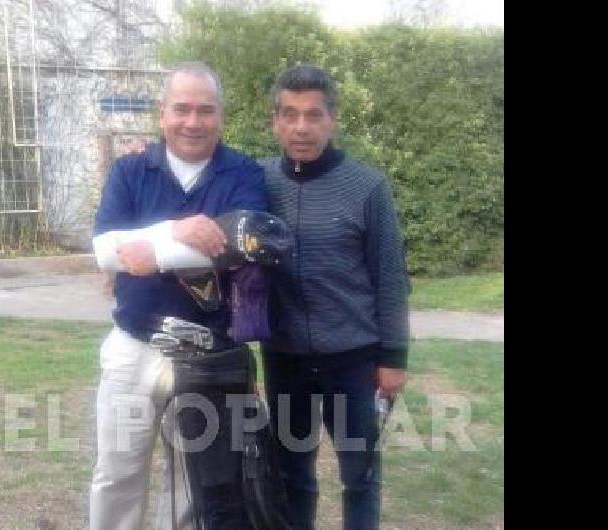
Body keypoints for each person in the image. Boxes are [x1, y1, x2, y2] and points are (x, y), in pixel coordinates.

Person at [88, 61, 267, 530]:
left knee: (192, 484)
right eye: (181, 109)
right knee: (117, 474)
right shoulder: (131, 169)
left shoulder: (244, 173)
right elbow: (105, 251)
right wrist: (175, 233)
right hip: (134, 347)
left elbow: (237, 249)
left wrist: (154, 253)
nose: (193, 122)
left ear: (220, 115)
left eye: (205, 110)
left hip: (208, 353)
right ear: (162, 112)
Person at [261, 64, 411, 530]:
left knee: (360, 476)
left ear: (333, 120)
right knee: (292, 475)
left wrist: (393, 357)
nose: (301, 127)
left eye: (313, 115)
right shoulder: (258, 181)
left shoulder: (367, 187)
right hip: (284, 357)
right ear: (275, 121)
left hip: (353, 360)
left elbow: (390, 275)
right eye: (289, 114)